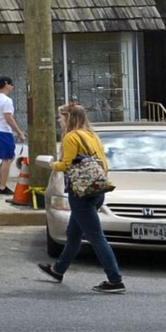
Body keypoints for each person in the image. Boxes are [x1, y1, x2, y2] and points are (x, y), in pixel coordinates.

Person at [37, 100, 125, 293]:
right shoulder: (92, 135)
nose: (59, 120)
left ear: (69, 118)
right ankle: (58, 269)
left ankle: (115, 279)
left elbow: (66, 164)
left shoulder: (71, 137)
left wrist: (51, 165)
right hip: (96, 190)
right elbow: (103, 163)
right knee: (74, 235)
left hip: (80, 193)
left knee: (96, 237)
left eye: (61, 117)